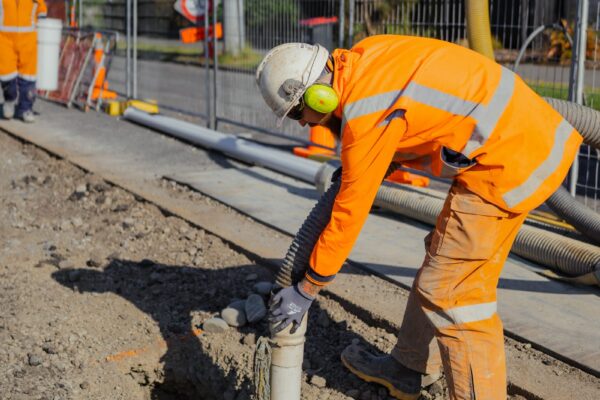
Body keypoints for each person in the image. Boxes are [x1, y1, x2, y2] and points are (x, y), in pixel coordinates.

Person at [257, 36, 582, 400]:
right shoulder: (366, 56)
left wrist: (307, 288)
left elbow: (349, 214)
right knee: (442, 262)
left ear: (320, 96)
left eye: (298, 113)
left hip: (508, 159)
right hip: (518, 143)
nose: (302, 125)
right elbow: (419, 108)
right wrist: (369, 164)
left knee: (452, 292)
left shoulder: (365, 113)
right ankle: (408, 368)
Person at [0, 0, 47, 122]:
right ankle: (9, 100)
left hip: (28, 40)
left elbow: (41, 9)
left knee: (28, 77)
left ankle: (25, 109)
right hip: (4, 40)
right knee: (6, 75)